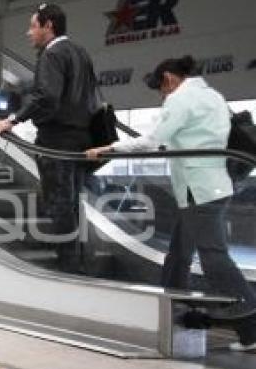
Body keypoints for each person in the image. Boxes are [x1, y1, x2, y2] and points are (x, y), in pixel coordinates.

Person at [87, 55, 256, 352]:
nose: (163, 95)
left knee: (214, 258)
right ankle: (170, 307)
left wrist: (107, 148)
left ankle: (250, 327)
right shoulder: (212, 95)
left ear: (168, 78)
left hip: (199, 190)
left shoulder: (180, 100)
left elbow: (154, 140)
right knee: (179, 252)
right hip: (213, 184)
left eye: (161, 90)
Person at [0, 3, 98, 274]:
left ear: (49, 26)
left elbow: (47, 97)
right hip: (82, 139)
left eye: (33, 26)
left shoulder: (52, 54)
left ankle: (68, 268)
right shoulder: (80, 52)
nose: (29, 33)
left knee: (59, 204)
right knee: (72, 203)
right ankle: (78, 262)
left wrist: (12, 120)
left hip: (56, 140)